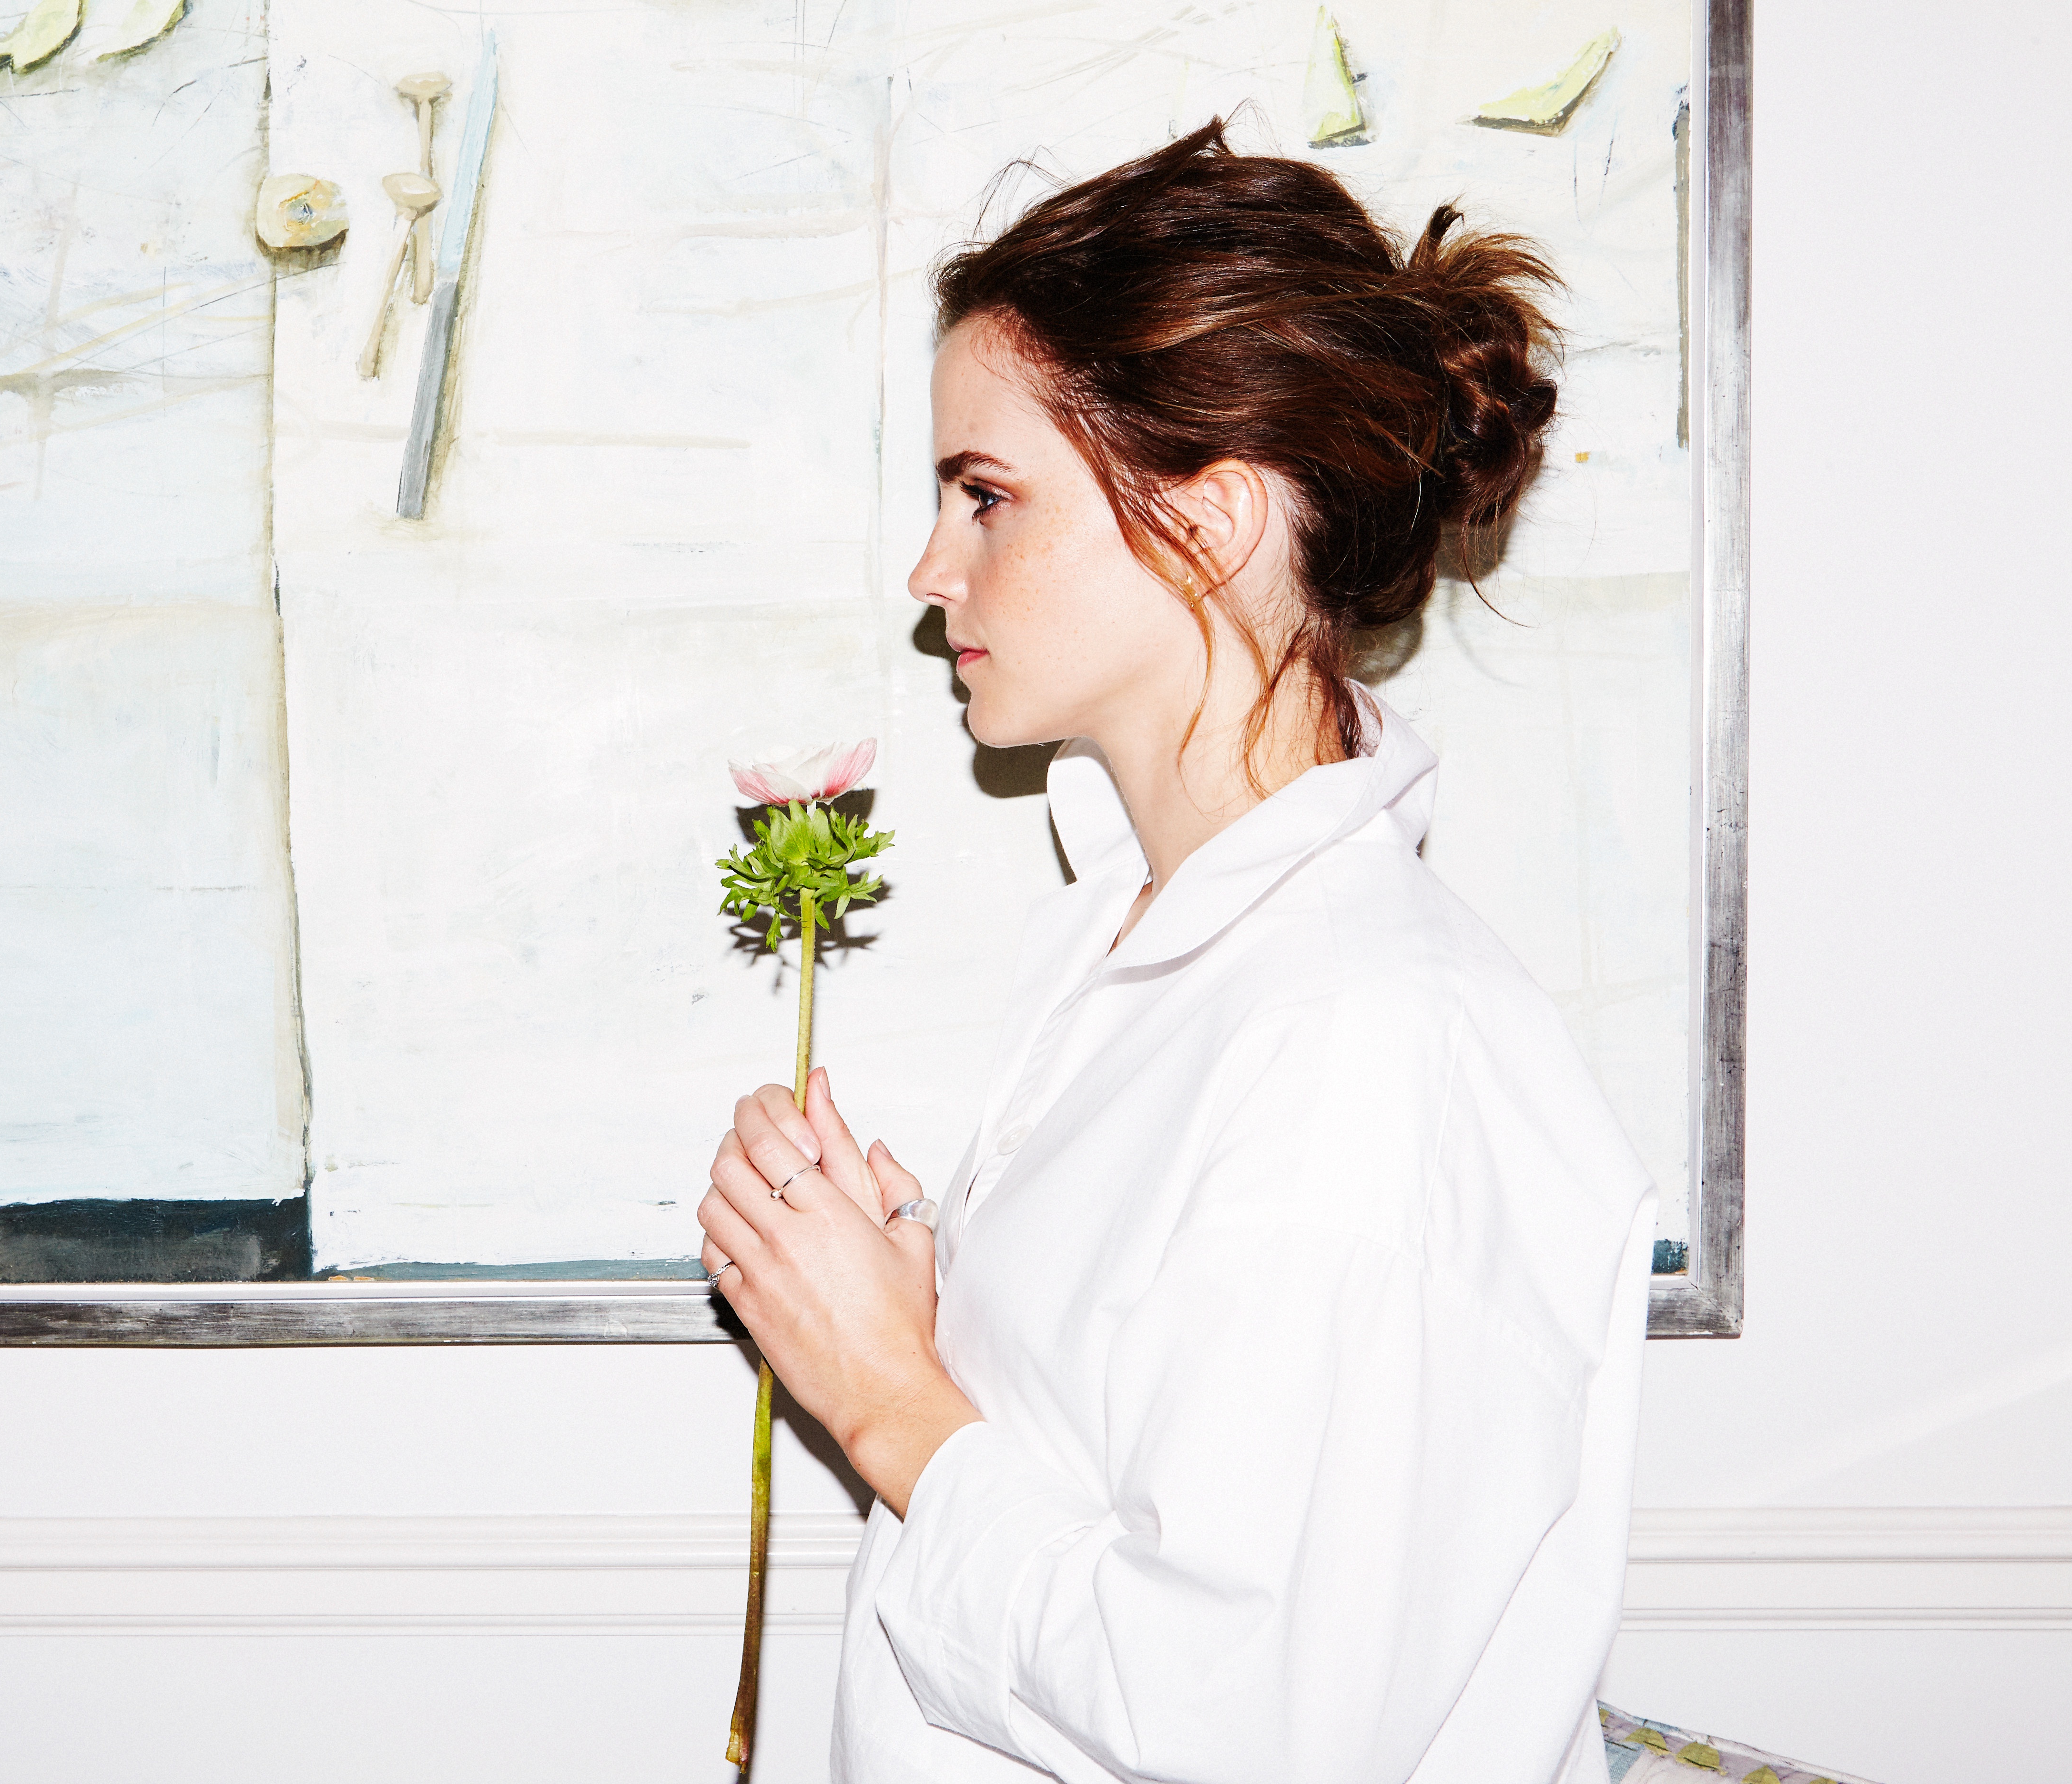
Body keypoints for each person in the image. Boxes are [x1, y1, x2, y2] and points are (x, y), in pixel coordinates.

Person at [695, 121, 1658, 1784]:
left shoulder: (1368, 1047)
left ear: (1207, 524)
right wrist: (923, 1327)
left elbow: (1253, 1730)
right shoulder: (1149, 960)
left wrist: (887, 1398)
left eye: (987, 496)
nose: (934, 576)